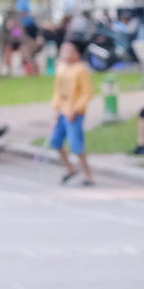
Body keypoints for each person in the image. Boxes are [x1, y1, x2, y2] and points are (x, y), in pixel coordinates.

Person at [50, 41, 96, 187]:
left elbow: (87, 93)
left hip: (74, 113)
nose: (64, 54)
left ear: (76, 54)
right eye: (63, 50)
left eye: (68, 51)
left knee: (76, 145)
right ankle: (70, 168)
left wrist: (76, 110)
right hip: (62, 111)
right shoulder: (61, 68)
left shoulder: (80, 69)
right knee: (56, 141)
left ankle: (89, 176)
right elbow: (58, 91)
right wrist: (56, 110)